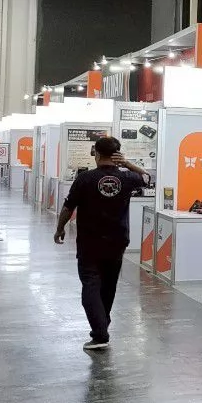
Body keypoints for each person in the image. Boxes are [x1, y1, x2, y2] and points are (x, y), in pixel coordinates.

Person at [54, 137, 149, 351]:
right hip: (117, 241)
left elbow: (69, 207)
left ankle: (100, 334)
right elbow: (146, 177)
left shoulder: (85, 178)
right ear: (118, 155)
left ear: (96, 154)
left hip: (89, 242)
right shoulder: (127, 178)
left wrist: (60, 229)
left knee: (90, 284)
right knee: (108, 285)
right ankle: (102, 325)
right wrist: (127, 164)